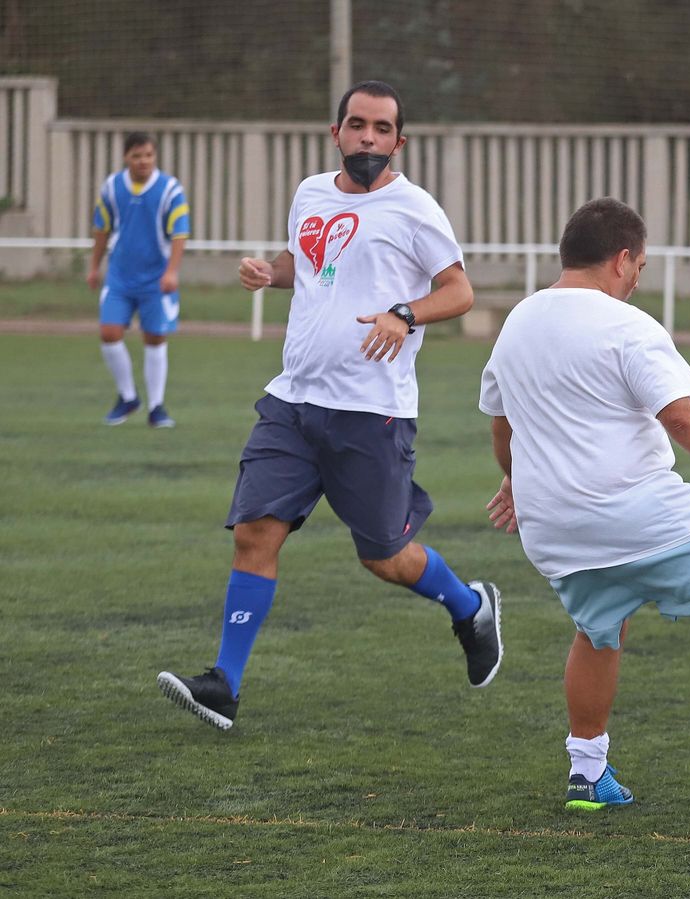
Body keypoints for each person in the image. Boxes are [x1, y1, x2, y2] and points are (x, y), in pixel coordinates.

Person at [157, 81, 502, 730]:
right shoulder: (310, 192)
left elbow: (459, 292)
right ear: (336, 132)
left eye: (381, 128)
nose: (367, 138)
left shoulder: (414, 208)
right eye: (356, 125)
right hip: (293, 400)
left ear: (399, 141)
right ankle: (224, 683)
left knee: (385, 558)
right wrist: (273, 272)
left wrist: (406, 313)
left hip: (372, 412)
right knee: (257, 530)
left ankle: (469, 605)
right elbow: (310, 262)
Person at [480, 198, 690, 812]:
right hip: (634, 510)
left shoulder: (518, 323)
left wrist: (515, 481)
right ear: (622, 258)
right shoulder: (626, 324)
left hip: (552, 525)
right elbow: (683, 419)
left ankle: (587, 773)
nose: (638, 279)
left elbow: (503, 427)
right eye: (639, 266)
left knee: (598, 629)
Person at [88, 132, 190, 428]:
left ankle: (156, 407)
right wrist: (94, 266)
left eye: (148, 155)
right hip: (119, 276)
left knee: (155, 338)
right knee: (109, 333)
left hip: (156, 280)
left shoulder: (170, 190)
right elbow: (101, 228)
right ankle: (128, 397)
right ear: (125, 158)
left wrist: (172, 271)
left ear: (154, 156)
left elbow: (180, 233)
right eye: (137, 155)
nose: (143, 161)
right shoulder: (111, 187)